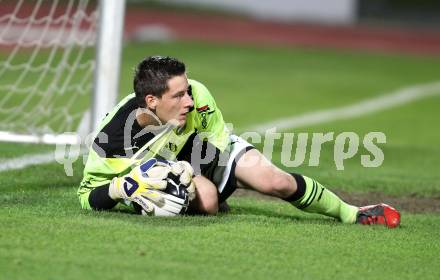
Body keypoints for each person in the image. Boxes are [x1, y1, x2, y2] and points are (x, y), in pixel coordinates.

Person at [78, 56, 400, 228]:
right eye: (178, 95)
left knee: (274, 181)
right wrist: (120, 189)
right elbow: (86, 195)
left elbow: (215, 150)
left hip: (197, 150)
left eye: (187, 89)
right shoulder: (113, 140)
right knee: (206, 201)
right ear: (151, 100)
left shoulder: (199, 97)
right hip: (157, 165)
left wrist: (196, 178)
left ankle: (351, 213)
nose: (189, 100)